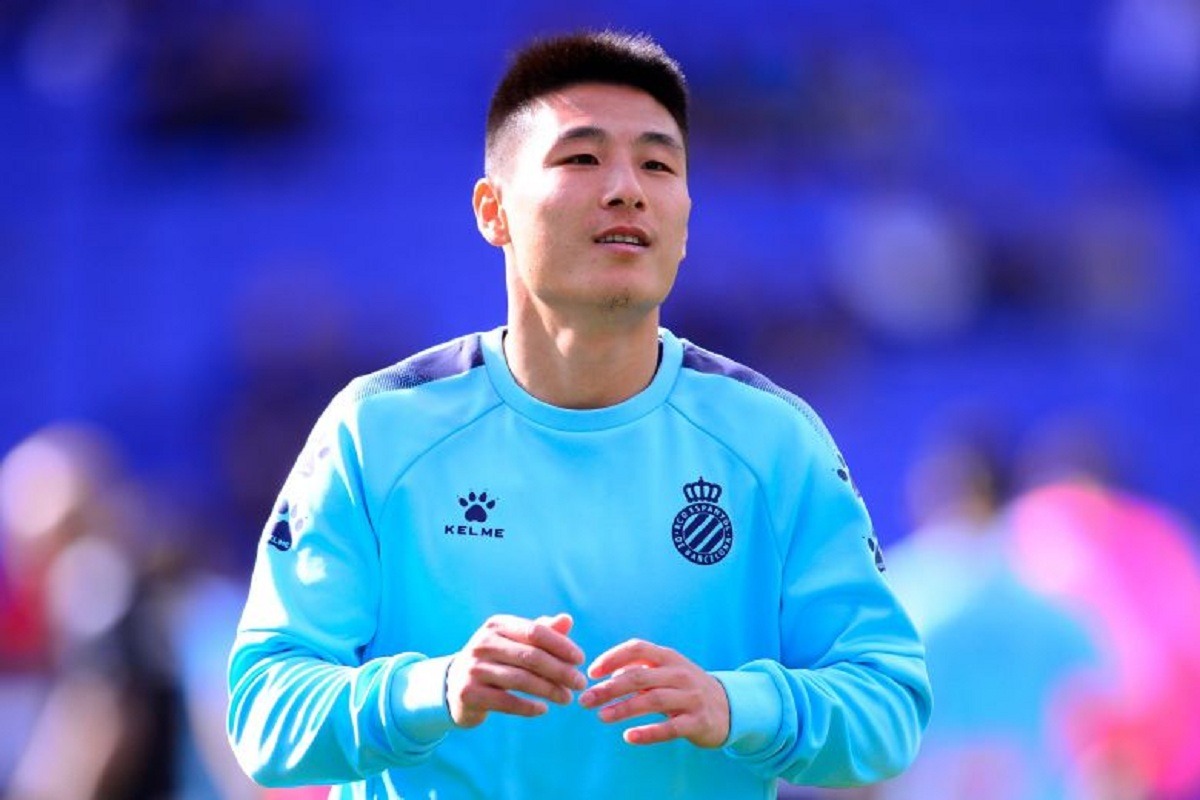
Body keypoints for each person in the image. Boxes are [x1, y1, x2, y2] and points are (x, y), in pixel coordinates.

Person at [227, 30, 931, 799]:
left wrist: (736, 705)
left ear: (685, 220)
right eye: (583, 157)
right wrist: (435, 688)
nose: (627, 188)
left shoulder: (773, 442)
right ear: (493, 210)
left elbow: (889, 707)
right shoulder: (377, 431)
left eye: (658, 165)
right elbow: (264, 715)